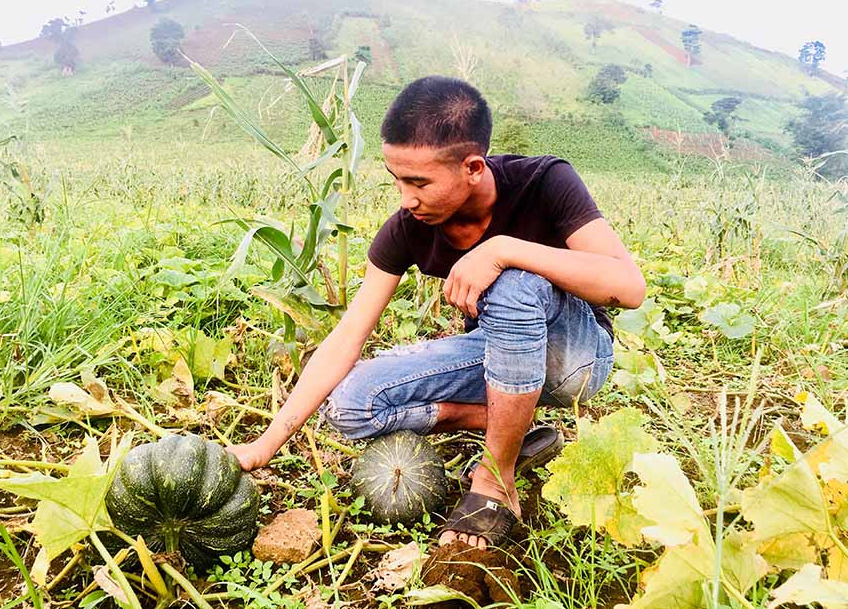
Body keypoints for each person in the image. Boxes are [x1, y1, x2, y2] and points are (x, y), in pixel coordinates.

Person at [227, 75, 645, 549]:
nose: (406, 198)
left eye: (418, 182)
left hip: (574, 358)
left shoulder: (545, 181)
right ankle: (510, 425)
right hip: (497, 358)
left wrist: (504, 249)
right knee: (350, 403)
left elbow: (628, 288)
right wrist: (267, 444)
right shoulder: (407, 228)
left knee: (512, 284)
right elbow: (348, 337)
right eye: (397, 180)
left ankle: (494, 478)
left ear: (472, 167)